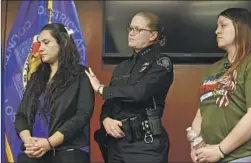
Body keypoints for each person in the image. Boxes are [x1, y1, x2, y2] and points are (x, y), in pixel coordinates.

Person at [85, 12, 173, 163]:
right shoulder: (121, 68)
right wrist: (105, 120)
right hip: (117, 144)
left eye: (138, 30)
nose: (131, 33)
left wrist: (102, 89)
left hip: (145, 145)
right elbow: (109, 104)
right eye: (130, 28)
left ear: (153, 35)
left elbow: (139, 93)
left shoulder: (161, 62)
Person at [190, 8, 251, 162]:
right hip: (211, 155)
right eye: (217, 26)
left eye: (223, 25)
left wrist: (220, 150)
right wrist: (196, 146)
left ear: (240, 27)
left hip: (246, 156)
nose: (216, 31)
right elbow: (201, 112)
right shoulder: (213, 69)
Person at [15, 23, 95, 163]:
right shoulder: (36, 77)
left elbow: (82, 115)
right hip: (34, 153)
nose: (40, 48)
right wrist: (30, 143)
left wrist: (49, 143)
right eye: (39, 43)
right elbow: (21, 115)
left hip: (68, 153)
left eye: (46, 43)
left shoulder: (81, 75)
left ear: (62, 43)